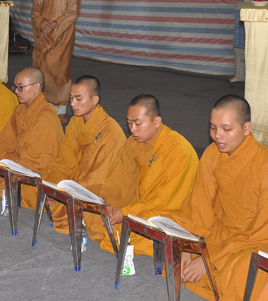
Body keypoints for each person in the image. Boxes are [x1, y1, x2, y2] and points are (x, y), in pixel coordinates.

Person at [171, 95, 268, 301]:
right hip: (226, 233)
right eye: (213, 128)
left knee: (241, 270)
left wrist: (210, 259)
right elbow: (199, 206)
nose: (217, 136)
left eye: (226, 129)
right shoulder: (213, 154)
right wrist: (187, 245)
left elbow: (265, 234)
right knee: (173, 245)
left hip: (262, 242)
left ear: (246, 128)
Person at [85, 95, 198, 256]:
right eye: (129, 123)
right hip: (142, 204)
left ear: (157, 121)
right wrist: (109, 205)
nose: (132, 129)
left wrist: (125, 212)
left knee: (140, 233)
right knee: (96, 215)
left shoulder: (179, 151)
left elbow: (163, 200)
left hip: (170, 211)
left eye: (138, 123)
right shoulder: (133, 142)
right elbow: (120, 179)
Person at [41, 75, 126, 234]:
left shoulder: (110, 131)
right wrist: (53, 184)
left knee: (93, 216)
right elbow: (64, 160)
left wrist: (64, 191)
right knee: (41, 182)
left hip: (106, 185)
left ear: (94, 100)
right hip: (81, 178)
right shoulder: (75, 122)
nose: (72, 104)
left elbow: (98, 177)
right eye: (71, 98)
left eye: (78, 99)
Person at [0, 67, 63, 209]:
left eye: (20, 87)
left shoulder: (46, 115)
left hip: (37, 169)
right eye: (15, 87)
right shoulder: (19, 110)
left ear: (36, 87)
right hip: (18, 160)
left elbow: (37, 159)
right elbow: (4, 142)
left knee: (29, 190)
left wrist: (3, 170)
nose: (16, 92)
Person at [31, 0, 81, 123]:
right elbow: (35, 10)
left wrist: (52, 28)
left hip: (61, 37)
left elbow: (72, 13)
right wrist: (42, 23)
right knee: (42, 69)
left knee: (59, 70)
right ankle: (43, 107)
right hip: (43, 37)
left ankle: (60, 111)